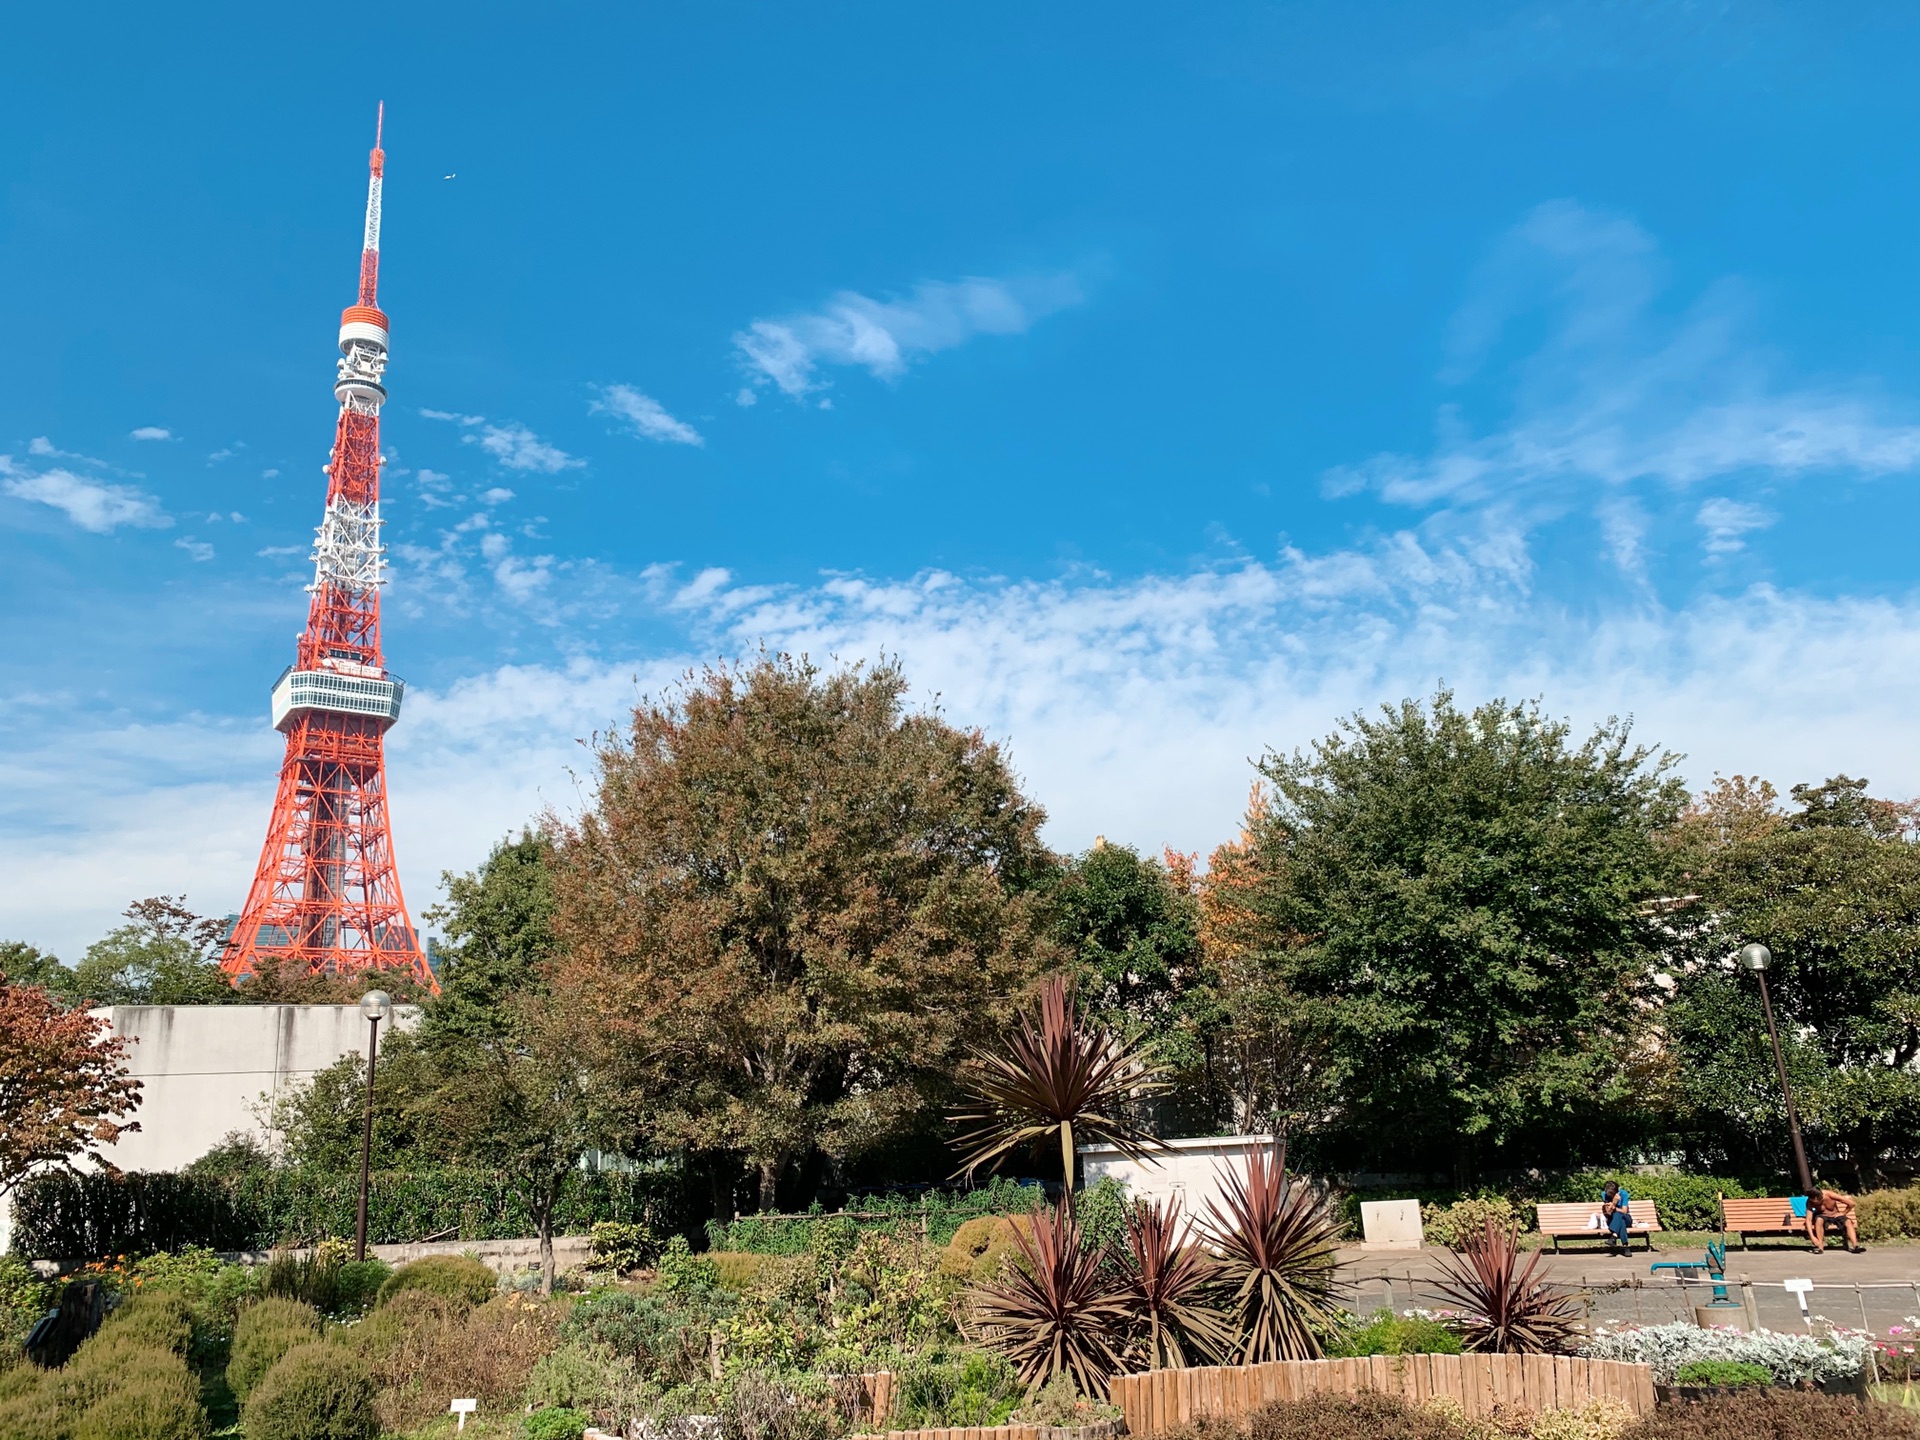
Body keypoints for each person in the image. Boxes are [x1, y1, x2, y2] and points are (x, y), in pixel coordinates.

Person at [1809, 1188, 1863, 1254]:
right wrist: (1812, 1237)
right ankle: (1820, 1247)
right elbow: (1808, 1220)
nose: (1817, 1202)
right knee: (1819, 1220)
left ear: (1821, 1196)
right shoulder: (1809, 1202)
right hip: (1822, 1216)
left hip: (1835, 1215)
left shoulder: (1830, 1195)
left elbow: (1851, 1204)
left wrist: (1843, 1213)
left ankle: (1855, 1246)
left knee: (1848, 1222)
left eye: (1819, 1200)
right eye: (1814, 1201)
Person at [1601, 1180, 1634, 1253]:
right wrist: (1614, 1203)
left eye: (1612, 1195)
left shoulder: (1623, 1194)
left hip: (1626, 1218)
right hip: (1612, 1220)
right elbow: (1608, 1212)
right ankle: (1626, 1246)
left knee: (1620, 1215)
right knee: (1621, 1222)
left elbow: (1624, 1211)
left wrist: (1614, 1208)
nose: (1610, 1196)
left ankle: (1614, 1236)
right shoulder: (1604, 1194)